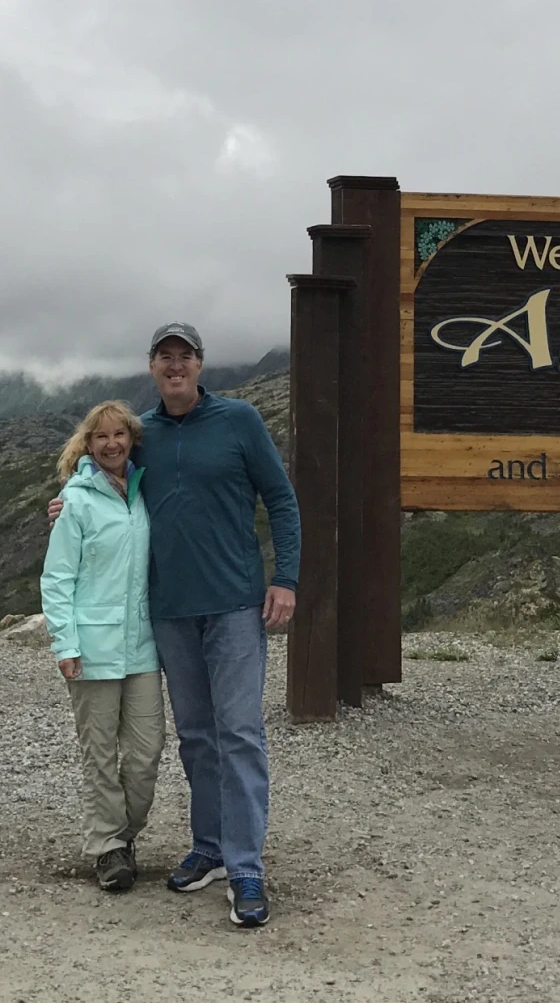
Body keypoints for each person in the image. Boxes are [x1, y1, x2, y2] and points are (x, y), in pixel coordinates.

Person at [49, 322, 300, 929]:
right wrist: (64, 501)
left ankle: (245, 867)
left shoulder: (240, 420)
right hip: (170, 613)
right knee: (195, 736)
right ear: (154, 367)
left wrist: (286, 578)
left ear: (201, 364)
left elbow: (281, 498)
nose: (175, 365)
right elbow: (101, 475)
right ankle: (209, 848)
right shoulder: (142, 434)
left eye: (184, 356)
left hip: (237, 604)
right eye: (165, 357)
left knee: (239, 733)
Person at [41, 400, 165, 893]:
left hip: (141, 646)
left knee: (146, 752)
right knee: (98, 754)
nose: (112, 444)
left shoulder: (144, 491)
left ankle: (124, 834)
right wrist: (64, 644)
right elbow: (57, 578)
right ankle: (109, 848)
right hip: (91, 647)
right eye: (101, 437)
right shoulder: (77, 500)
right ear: (87, 445)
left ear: (131, 439)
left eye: (120, 435)